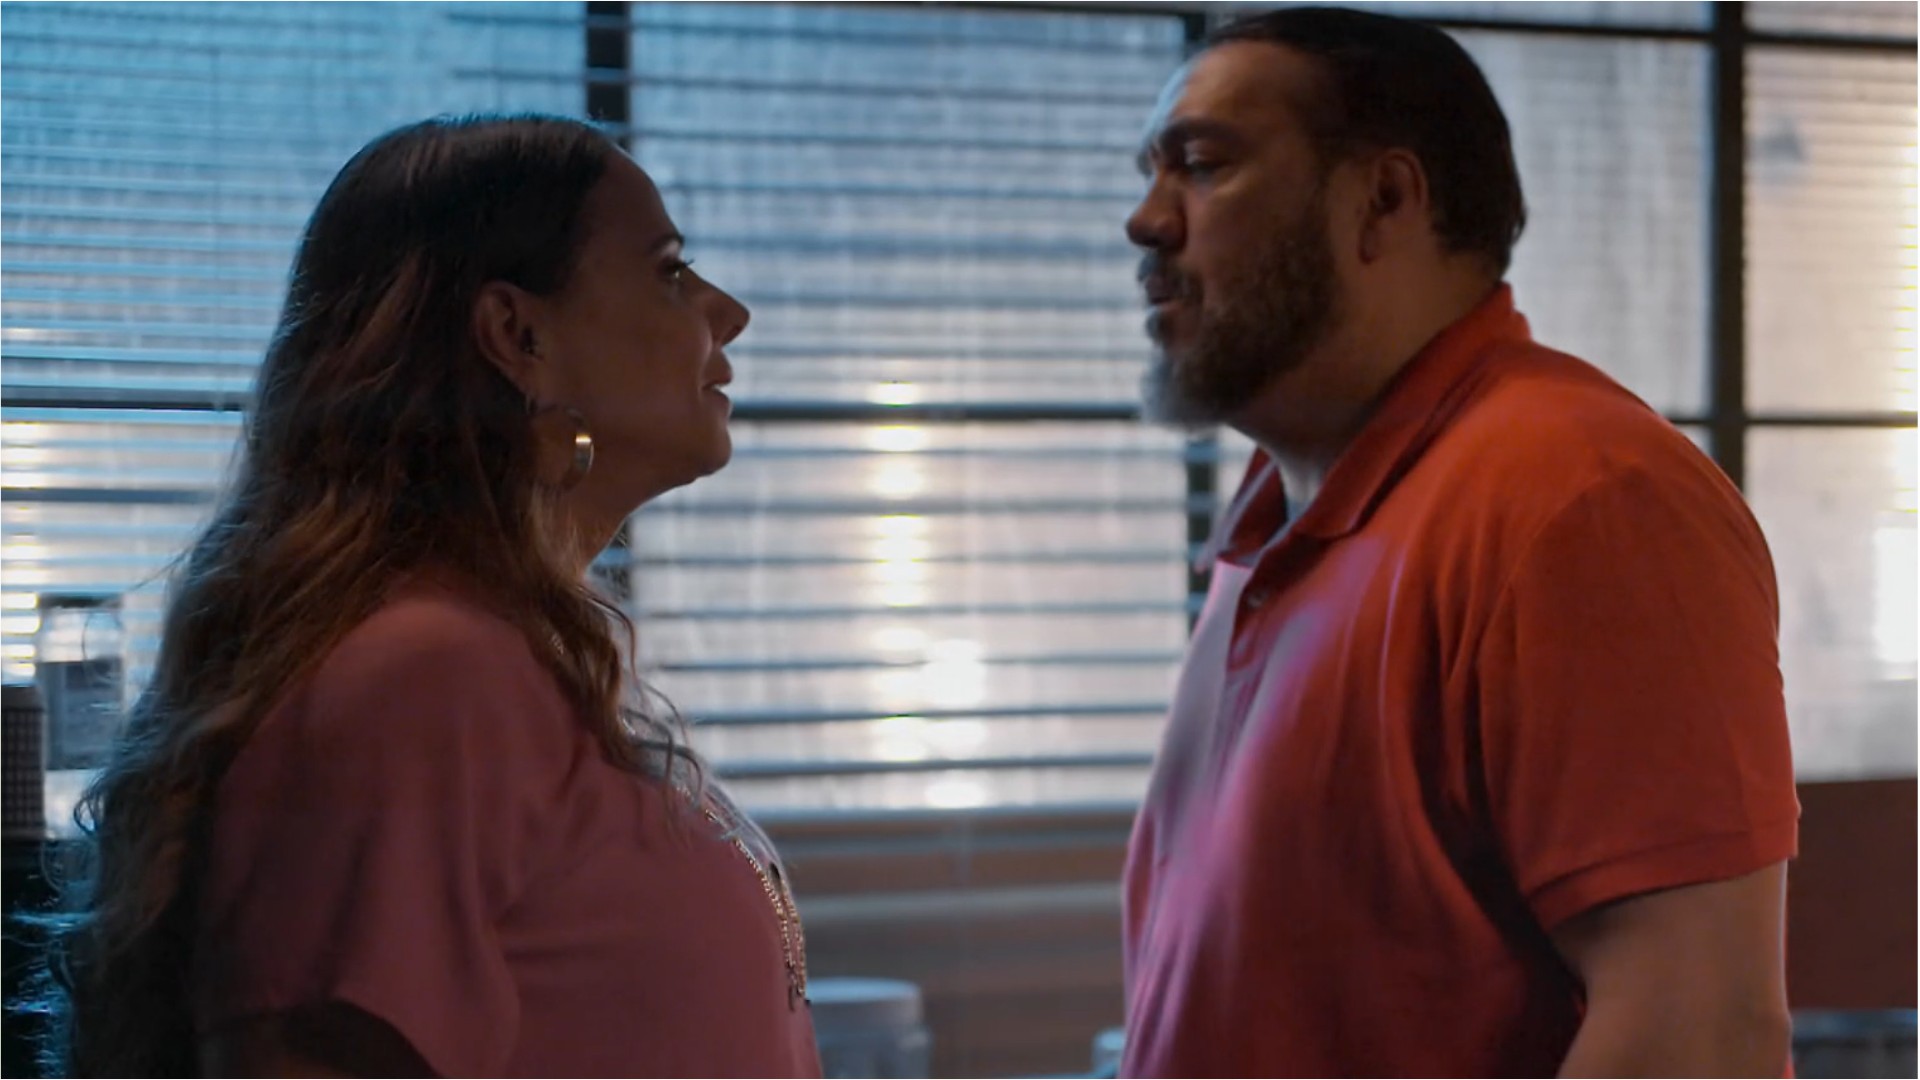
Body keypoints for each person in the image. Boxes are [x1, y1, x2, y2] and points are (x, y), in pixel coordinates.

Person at [26, 115, 821, 1078]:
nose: (727, 311)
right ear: (517, 335)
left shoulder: (506, 663)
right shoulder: (427, 679)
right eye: (669, 271)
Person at [1121, 9, 1796, 1077]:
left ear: (1383, 200)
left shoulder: (1579, 496)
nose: (1146, 221)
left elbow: (1701, 1035)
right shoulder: (1272, 518)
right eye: (1152, 175)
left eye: (1202, 166)